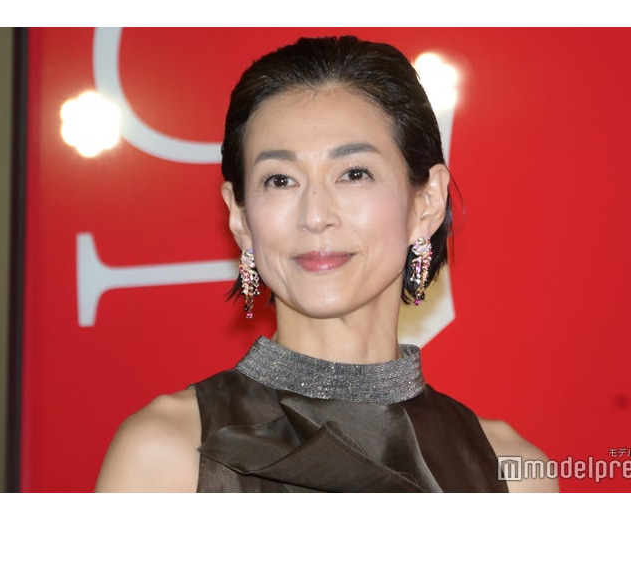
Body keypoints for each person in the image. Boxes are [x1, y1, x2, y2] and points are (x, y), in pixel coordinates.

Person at [95, 35, 558, 492]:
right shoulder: (166, 454)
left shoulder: (512, 474)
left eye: (354, 174)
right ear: (240, 217)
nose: (315, 216)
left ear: (427, 202)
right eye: (280, 180)